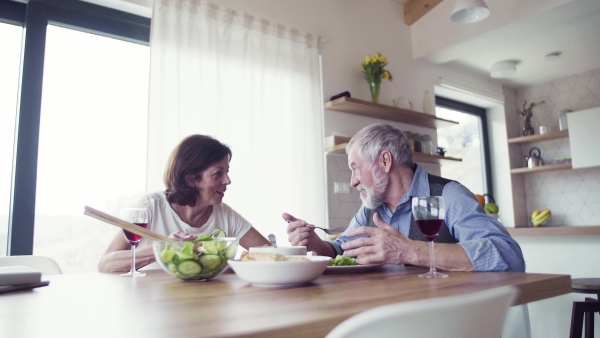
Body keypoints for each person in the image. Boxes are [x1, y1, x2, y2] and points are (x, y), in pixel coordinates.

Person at [285, 123, 525, 272]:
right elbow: (342, 251)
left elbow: (509, 256)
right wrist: (315, 244)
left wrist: (410, 251)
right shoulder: (371, 209)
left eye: (356, 168)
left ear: (385, 161)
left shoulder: (447, 195)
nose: (353, 181)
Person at [99, 135, 270, 273]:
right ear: (191, 179)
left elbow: (269, 253)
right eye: (218, 173)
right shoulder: (151, 207)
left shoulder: (225, 214)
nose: (228, 181)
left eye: (227, 172)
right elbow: (106, 264)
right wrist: (162, 247)